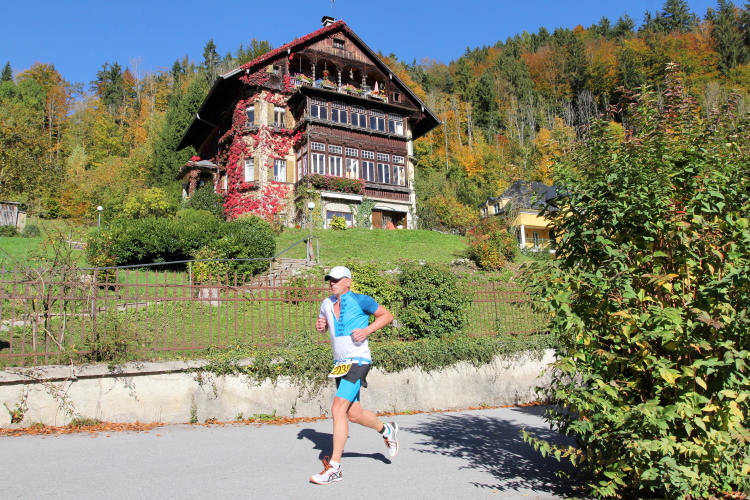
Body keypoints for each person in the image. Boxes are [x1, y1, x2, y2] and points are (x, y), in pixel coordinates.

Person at [309, 265, 399, 485]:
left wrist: (367, 330)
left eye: (337, 280)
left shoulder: (361, 300)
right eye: (330, 280)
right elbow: (324, 327)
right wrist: (321, 326)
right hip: (339, 364)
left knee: (337, 409)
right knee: (354, 414)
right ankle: (386, 429)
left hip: (358, 360)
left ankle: (335, 468)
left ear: (348, 281)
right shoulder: (326, 303)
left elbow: (387, 315)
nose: (333, 283)